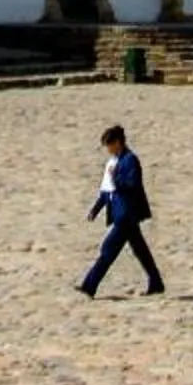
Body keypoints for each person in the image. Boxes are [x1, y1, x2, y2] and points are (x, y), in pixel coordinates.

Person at [77, 124, 163, 298]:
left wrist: (115, 177)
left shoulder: (130, 160)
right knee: (141, 251)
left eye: (109, 145)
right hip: (120, 214)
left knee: (108, 250)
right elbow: (106, 191)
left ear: (117, 142)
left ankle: (89, 286)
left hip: (126, 214)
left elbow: (132, 184)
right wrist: (96, 209)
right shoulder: (114, 161)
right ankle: (156, 283)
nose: (107, 149)